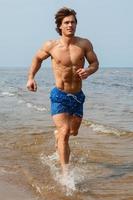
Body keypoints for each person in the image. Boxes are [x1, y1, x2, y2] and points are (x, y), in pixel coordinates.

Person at [26, 7, 99, 174]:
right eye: (66, 22)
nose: (70, 25)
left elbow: (95, 63)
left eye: (73, 22)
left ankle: (58, 136)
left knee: (73, 132)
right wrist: (31, 77)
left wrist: (88, 70)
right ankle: (66, 174)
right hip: (59, 95)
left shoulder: (84, 44)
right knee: (65, 132)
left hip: (77, 97)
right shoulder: (51, 45)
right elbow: (37, 58)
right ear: (60, 26)